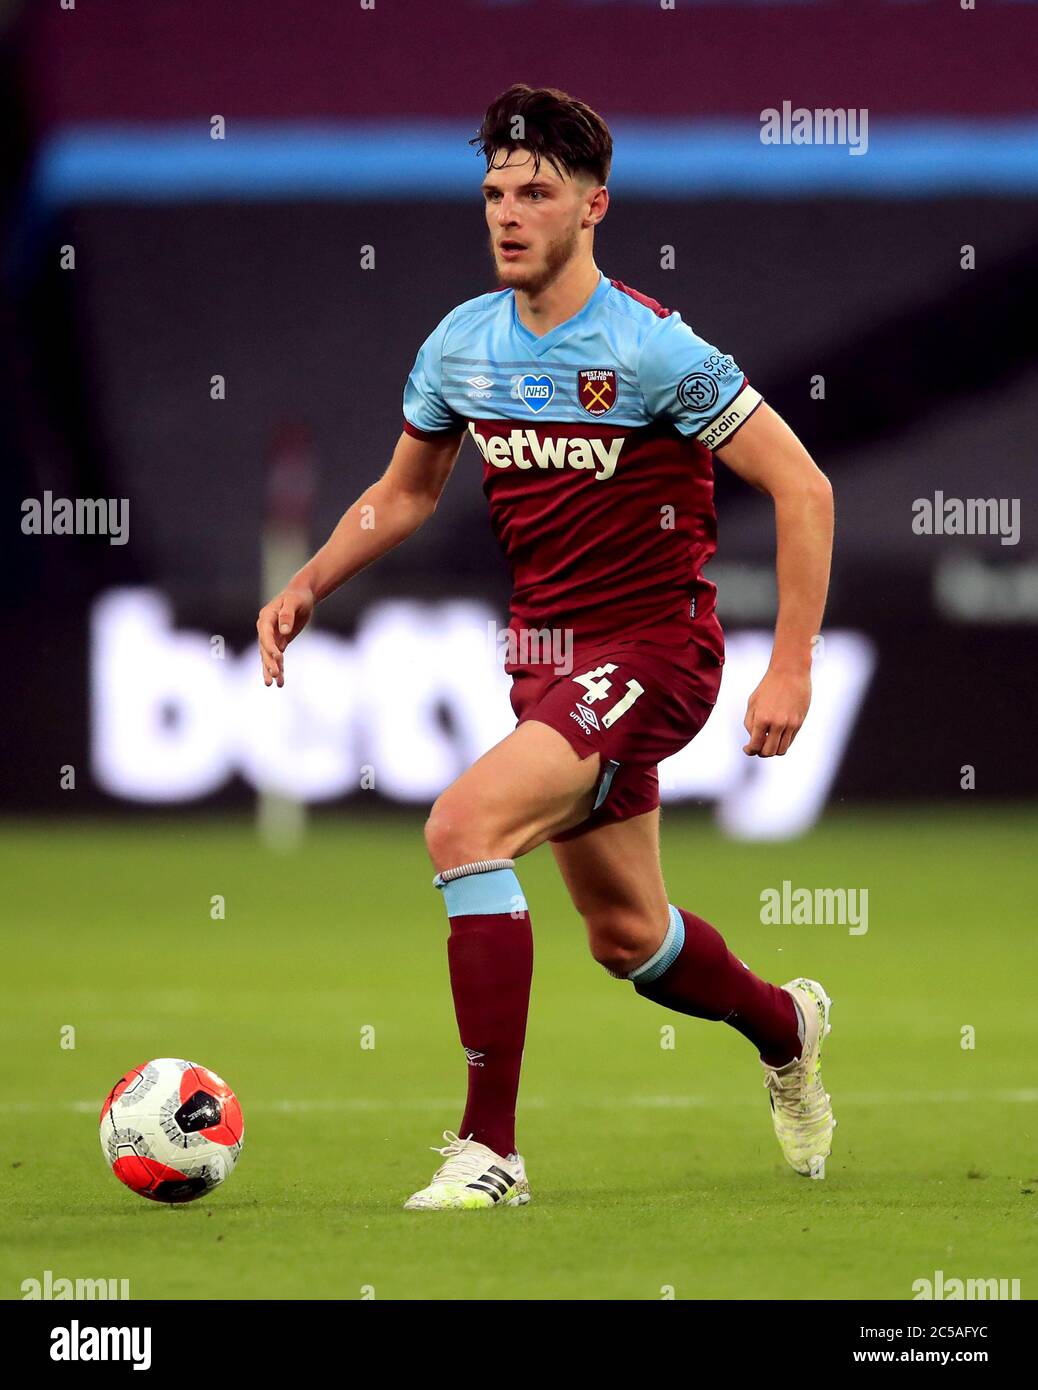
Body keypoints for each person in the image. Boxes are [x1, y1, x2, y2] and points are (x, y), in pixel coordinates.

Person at [257, 84, 836, 1210]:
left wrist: (794, 662)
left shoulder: (656, 350)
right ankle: (787, 1024)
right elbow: (405, 493)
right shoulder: (460, 344)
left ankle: (492, 1154)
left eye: (535, 192)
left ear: (593, 207)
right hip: (548, 663)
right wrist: (312, 578)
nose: (508, 213)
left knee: (464, 827)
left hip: (658, 652)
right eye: (493, 193)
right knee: (628, 937)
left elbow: (803, 487)